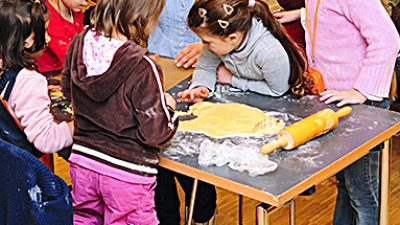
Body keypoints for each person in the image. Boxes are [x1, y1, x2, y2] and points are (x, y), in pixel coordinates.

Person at [275, 0, 399, 224]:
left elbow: (388, 39)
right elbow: (337, 17)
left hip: (361, 105)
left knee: (362, 193)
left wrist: (362, 90)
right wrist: (302, 14)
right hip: (338, 100)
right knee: (346, 184)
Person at [61, 0, 179, 224]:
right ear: (142, 19)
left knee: (84, 219)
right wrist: (169, 108)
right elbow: (154, 133)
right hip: (126, 173)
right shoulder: (143, 66)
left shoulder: (79, 42)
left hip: (84, 161)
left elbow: (68, 91)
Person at [147, 1, 217, 225]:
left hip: (200, 76)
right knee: (157, 157)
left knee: (194, 155)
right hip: (156, 71)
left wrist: (207, 45)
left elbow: (242, 20)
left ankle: (202, 214)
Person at [178, 0, 310, 103]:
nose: (203, 45)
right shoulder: (221, 40)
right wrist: (201, 88)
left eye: (207, 42)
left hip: (271, 102)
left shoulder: (269, 52)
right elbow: (205, 67)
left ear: (232, 38)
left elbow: (277, 90)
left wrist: (232, 80)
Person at [0, 0, 73, 154]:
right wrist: (76, 127)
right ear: (24, 42)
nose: (48, 39)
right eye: (43, 32)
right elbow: (46, 140)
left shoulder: (4, 67)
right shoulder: (29, 81)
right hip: (28, 167)